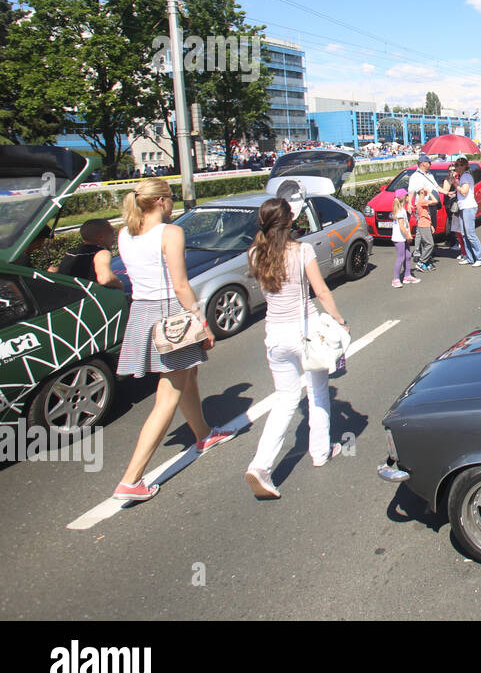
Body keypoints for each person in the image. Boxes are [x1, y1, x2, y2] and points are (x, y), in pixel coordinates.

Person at [112, 178, 231, 503]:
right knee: (168, 395)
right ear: (163, 201)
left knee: (187, 376)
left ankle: (204, 434)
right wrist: (202, 322)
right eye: (172, 197)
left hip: (142, 313)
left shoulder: (125, 234)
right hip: (170, 316)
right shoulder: (170, 233)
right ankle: (131, 479)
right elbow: (180, 284)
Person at [243, 198, 349, 498]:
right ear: (289, 221)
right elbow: (321, 290)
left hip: (275, 334)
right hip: (304, 331)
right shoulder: (302, 250)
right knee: (317, 393)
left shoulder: (255, 253)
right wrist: (339, 320)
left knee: (285, 400)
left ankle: (261, 465)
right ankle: (320, 451)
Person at [48, 218, 123, 289]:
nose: (114, 235)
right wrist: (120, 286)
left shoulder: (71, 253)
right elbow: (105, 279)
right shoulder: (101, 253)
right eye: (112, 232)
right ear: (101, 237)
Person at [442, 157, 481, 266]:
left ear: (465, 166)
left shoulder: (466, 176)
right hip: (463, 207)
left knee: (470, 234)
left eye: (459, 165)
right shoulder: (461, 177)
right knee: (464, 234)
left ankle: (480, 257)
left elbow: (464, 192)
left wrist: (456, 184)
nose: (457, 167)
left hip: (469, 207)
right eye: (456, 164)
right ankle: (470, 257)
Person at [407, 154, 440, 272]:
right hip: (423, 208)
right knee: (423, 235)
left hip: (431, 207)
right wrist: (409, 204)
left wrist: (447, 192)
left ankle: (427, 260)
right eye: (429, 162)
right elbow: (411, 191)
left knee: (431, 232)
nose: (430, 164)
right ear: (423, 164)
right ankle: (422, 258)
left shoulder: (430, 175)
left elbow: (437, 187)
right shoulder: (415, 177)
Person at [390, 188, 419, 287]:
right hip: (399, 239)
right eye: (407, 195)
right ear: (403, 198)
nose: (408, 197)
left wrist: (408, 234)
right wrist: (408, 236)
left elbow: (406, 225)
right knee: (401, 257)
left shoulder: (403, 210)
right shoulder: (400, 212)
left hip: (403, 237)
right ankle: (396, 279)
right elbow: (402, 227)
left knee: (407, 256)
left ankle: (407, 276)